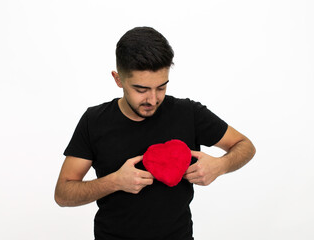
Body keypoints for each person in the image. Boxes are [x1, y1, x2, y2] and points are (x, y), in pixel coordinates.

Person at [54, 26, 256, 240]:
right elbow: (63, 194)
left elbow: (245, 145)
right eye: (141, 90)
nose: (152, 99)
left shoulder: (188, 113)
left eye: (161, 87)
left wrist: (220, 165)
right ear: (118, 79)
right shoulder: (94, 121)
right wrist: (115, 181)